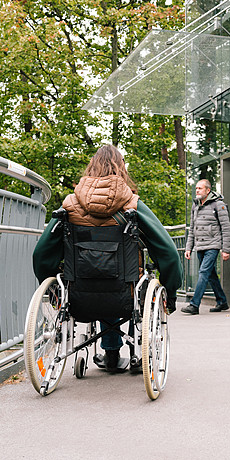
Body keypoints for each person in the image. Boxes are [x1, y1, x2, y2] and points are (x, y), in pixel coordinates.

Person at [32, 144, 183, 372]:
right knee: (132, 281)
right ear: (121, 168)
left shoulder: (69, 206)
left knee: (98, 275)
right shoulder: (132, 205)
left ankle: (110, 354)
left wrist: (55, 293)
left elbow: (41, 254)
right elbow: (168, 252)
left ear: (91, 168)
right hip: (125, 296)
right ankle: (136, 353)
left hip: (78, 296)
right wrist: (170, 293)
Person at [181, 179, 230, 315]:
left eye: (200, 188)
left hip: (213, 245)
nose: (197, 190)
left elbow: (226, 228)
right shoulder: (195, 205)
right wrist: (188, 248)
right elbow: (192, 228)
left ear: (208, 190)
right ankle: (222, 301)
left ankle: (194, 304)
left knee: (203, 272)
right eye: (196, 188)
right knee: (211, 275)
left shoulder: (218, 205)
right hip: (200, 246)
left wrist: (225, 249)